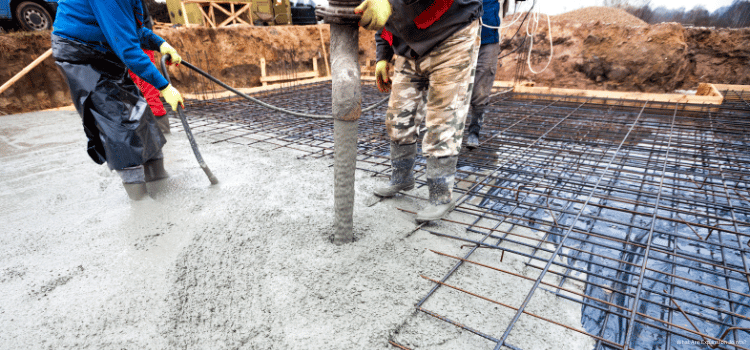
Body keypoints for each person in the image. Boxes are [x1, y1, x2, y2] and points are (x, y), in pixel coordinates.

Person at [357, 0, 482, 222]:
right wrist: (383, 56)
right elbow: (384, 18)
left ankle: (440, 196)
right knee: (398, 117)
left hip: (451, 33)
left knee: (443, 119)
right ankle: (401, 177)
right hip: (409, 43)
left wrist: (390, 2)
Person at [51, 0, 185, 201]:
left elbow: (130, 29)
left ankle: (159, 178)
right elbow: (126, 47)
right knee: (116, 122)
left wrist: (160, 43)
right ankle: (140, 199)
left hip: (105, 47)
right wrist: (164, 87)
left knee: (141, 114)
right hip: (81, 55)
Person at [128, 0, 170, 134]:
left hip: (137, 45)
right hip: (127, 44)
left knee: (148, 88)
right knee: (131, 91)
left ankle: (162, 130)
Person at [466, 0, 503, 149]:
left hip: (488, 39)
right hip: (461, 38)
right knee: (455, 86)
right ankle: (449, 131)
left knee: (481, 89)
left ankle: (474, 131)